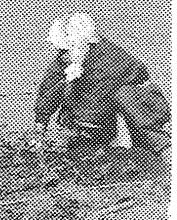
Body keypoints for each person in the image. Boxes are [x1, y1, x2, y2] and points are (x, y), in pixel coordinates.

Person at [34, 13, 170, 161]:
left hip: (147, 106)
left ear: (85, 43)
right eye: (62, 49)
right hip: (101, 109)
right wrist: (40, 126)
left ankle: (163, 149)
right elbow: (48, 89)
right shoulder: (65, 58)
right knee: (68, 87)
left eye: (69, 49)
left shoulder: (110, 60)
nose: (64, 54)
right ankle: (96, 141)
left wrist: (78, 128)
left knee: (125, 96)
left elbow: (96, 104)